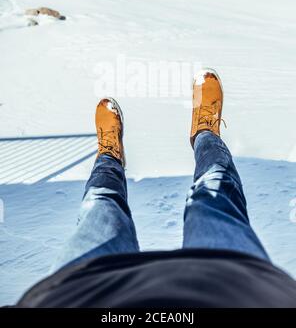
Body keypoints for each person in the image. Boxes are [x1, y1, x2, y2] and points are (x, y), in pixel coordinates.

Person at [17, 69, 296, 307]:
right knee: (215, 189)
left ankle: (109, 156)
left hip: (76, 290)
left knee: (100, 203)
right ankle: (205, 134)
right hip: (236, 284)